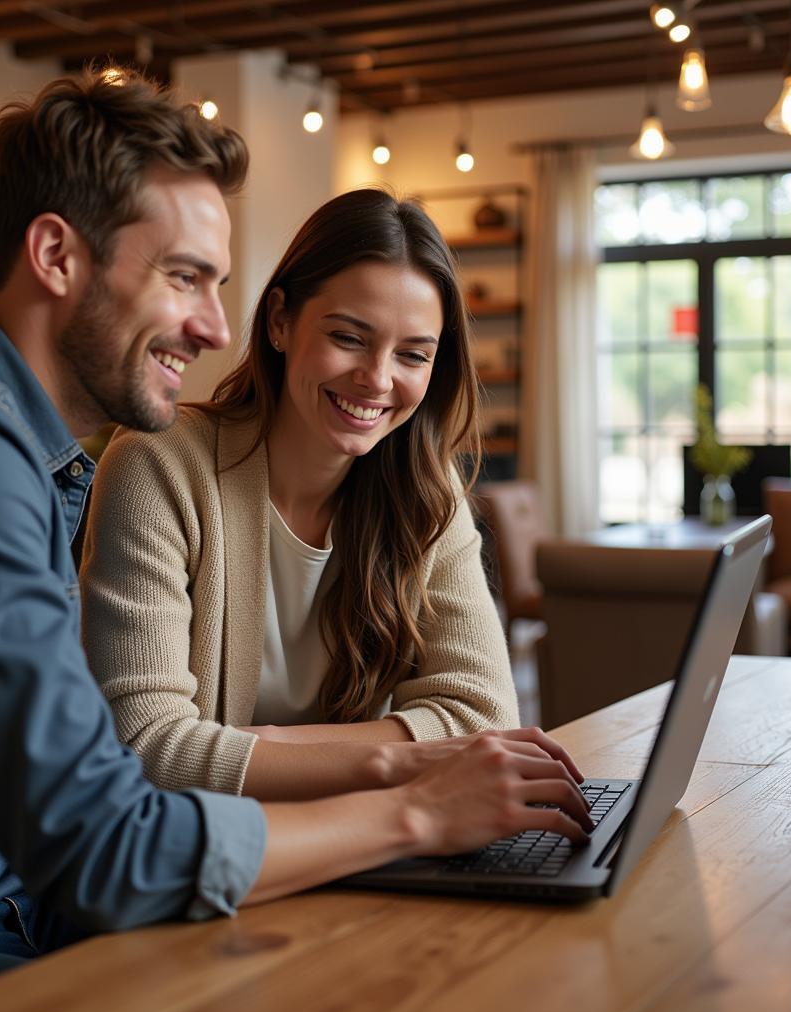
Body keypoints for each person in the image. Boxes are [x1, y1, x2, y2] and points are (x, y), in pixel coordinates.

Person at [0, 68, 591, 1012]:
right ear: (56, 254)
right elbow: (109, 832)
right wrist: (413, 801)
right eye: (184, 277)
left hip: (11, 908)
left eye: (219, 285)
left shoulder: (22, 450)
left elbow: (97, 795)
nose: (216, 326)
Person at [80, 188, 523, 801]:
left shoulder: (427, 488)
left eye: (413, 355)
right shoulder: (159, 464)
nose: (377, 379)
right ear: (281, 320)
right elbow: (144, 745)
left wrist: (269, 745)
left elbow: (485, 717)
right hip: (203, 866)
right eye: (348, 337)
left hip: (361, 850)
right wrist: (391, 758)